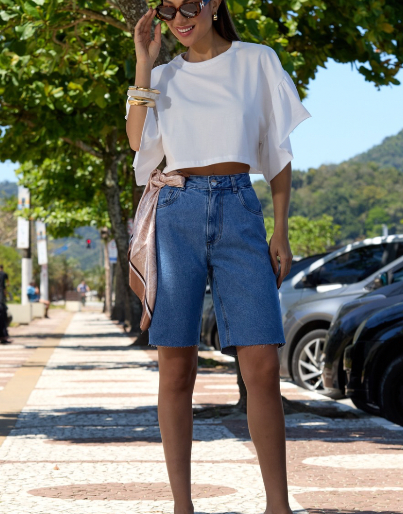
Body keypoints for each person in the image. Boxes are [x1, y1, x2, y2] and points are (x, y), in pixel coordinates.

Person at [126, 2, 311, 513]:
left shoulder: (257, 60)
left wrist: (280, 230)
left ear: (215, 4)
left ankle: (278, 506)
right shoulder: (163, 75)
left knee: (262, 365)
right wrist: (144, 63)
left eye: (190, 5)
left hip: (239, 209)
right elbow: (139, 142)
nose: (179, 18)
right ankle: (182, 507)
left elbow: (277, 151)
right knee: (175, 368)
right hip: (177, 212)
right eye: (168, 9)